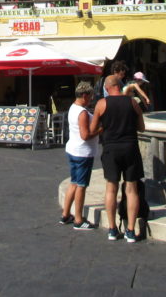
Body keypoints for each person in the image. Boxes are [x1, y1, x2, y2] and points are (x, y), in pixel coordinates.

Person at [90, 61, 145, 243]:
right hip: (130, 147)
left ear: (107, 88)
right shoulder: (132, 102)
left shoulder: (101, 104)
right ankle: (131, 230)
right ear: (119, 86)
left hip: (111, 149)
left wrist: (105, 127)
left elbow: (93, 129)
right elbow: (142, 128)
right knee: (131, 189)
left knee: (111, 188)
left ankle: (113, 229)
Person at [59, 81, 100, 230]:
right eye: (90, 96)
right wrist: (101, 130)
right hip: (82, 153)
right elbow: (85, 135)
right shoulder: (82, 113)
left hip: (73, 150)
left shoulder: (73, 107)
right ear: (84, 95)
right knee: (81, 186)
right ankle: (78, 219)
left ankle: (65, 214)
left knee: (74, 183)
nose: (91, 99)